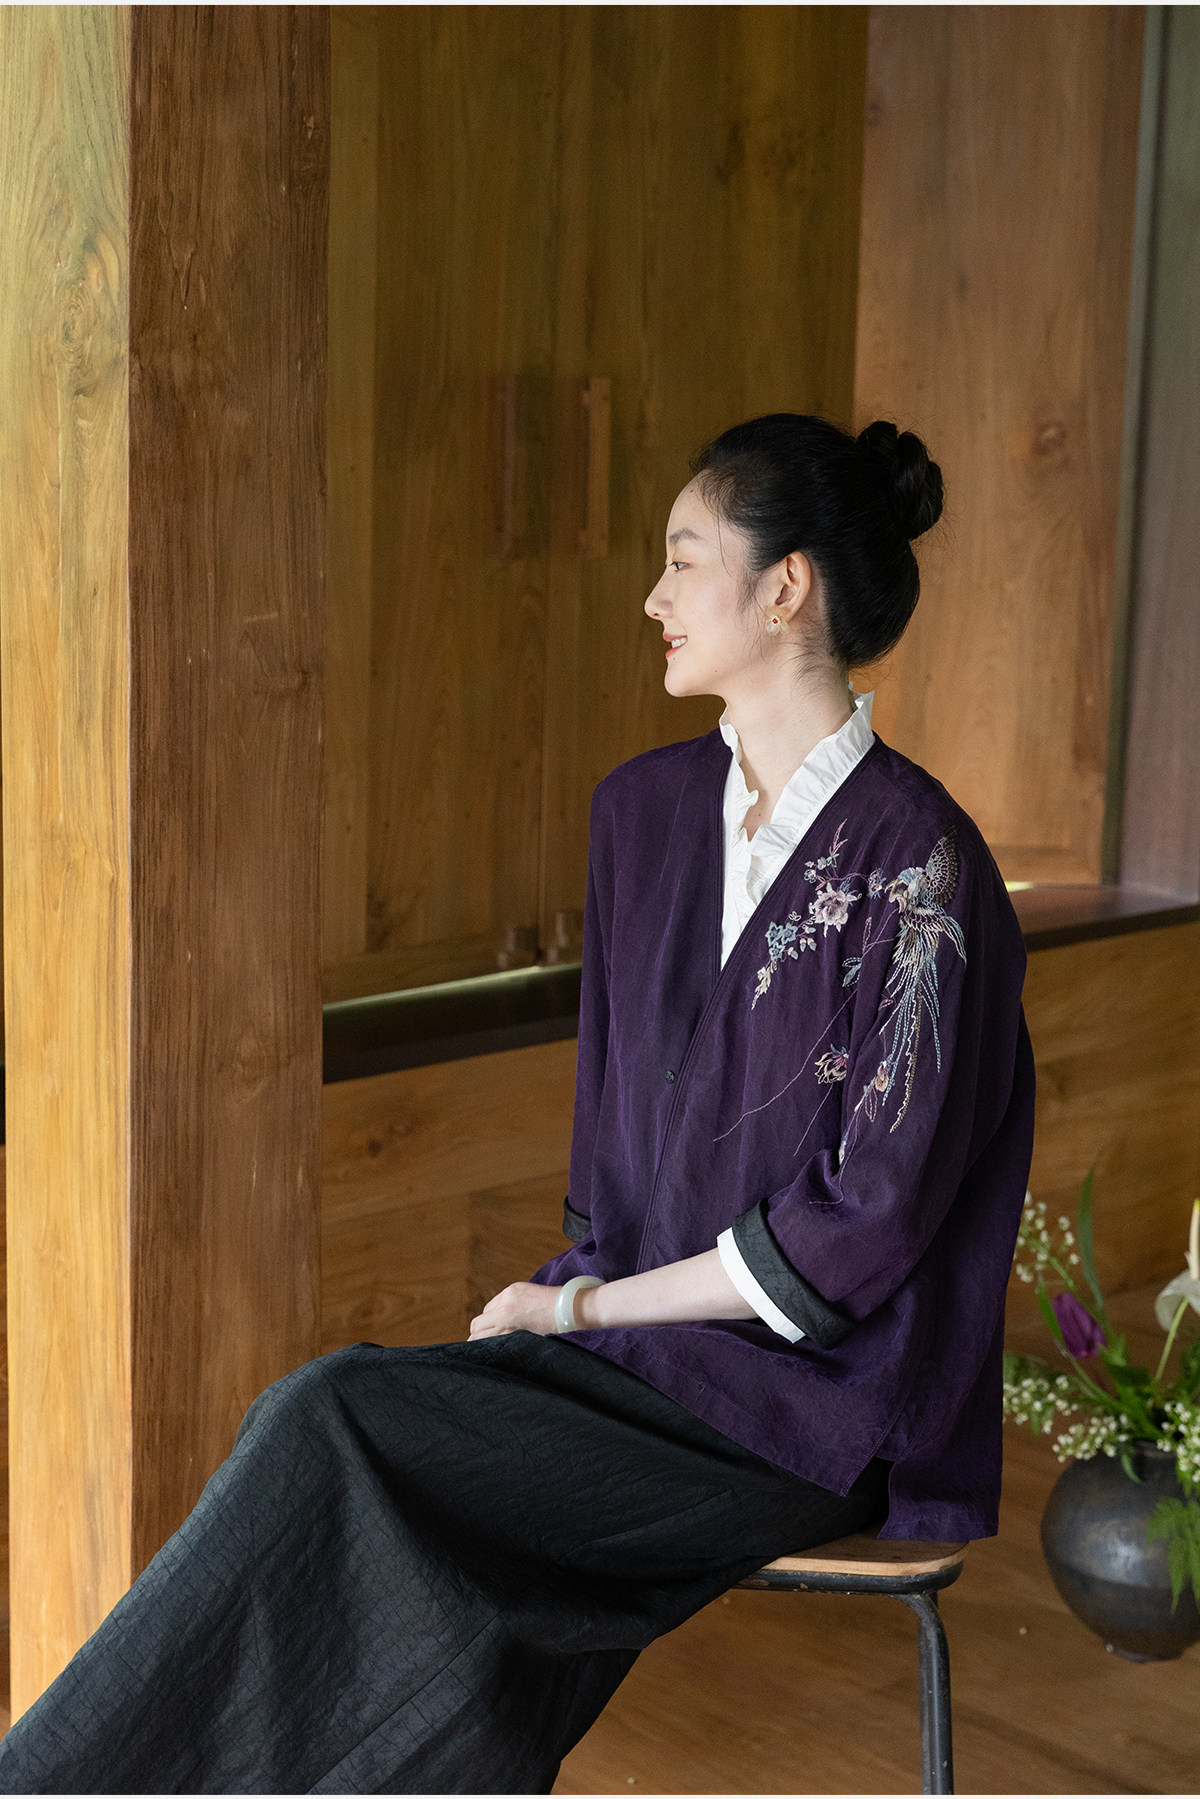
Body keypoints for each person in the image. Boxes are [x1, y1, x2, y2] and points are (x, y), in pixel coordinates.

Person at [0, 413, 1034, 1795]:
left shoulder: (923, 865)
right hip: (631, 1353)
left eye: (683, 560)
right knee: (385, 1510)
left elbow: (861, 1233)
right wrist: (575, 1302)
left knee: (333, 1420)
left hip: (810, 1410)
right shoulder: (642, 815)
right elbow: (609, 1157)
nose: (653, 597)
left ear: (786, 585)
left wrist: (579, 1314)